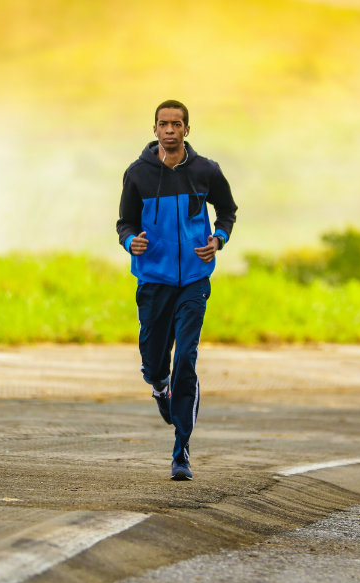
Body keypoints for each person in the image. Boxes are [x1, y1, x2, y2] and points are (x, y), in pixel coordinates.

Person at [115, 99, 238, 480]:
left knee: (186, 356)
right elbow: (124, 223)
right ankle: (158, 384)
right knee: (155, 361)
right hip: (153, 280)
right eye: (163, 124)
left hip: (194, 281)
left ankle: (181, 449)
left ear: (187, 129)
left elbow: (228, 211)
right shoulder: (137, 174)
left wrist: (218, 239)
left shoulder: (206, 171)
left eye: (177, 124)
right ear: (154, 130)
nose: (169, 130)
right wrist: (129, 240)